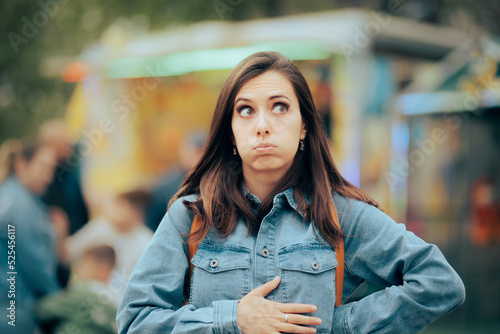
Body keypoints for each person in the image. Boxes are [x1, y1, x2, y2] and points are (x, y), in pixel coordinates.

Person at [116, 51, 465, 333]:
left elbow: (438, 283)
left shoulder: (341, 214)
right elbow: (135, 320)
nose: (263, 125)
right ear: (231, 133)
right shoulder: (192, 215)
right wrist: (230, 320)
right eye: (246, 111)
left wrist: (336, 325)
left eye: (279, 107)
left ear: (304, 127)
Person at [0, 139, 60, 334]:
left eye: (51, 169)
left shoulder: (18, 198)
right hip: (13, 309)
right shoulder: (18, 204)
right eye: (43, 168)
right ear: (21, 164)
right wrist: (60, 299)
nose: (49, 177)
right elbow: (34, 261)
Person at [66, 189, 153, 304]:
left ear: (137, 214)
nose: (114, 211)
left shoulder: (146, 242)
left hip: (119, 302)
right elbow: (70, 252)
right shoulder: (101, 226)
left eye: (122, 206)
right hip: (85, 293)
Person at [36, 245, 118, 334]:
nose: (77, 268)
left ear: (103, 270)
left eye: (85, 264)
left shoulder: (81, 293)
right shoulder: (116, 302)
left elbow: (42, 310)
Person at [146, 130, 207, 231]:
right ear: (183, 153)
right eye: (195, 152)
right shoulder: (164, 186)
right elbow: (152, 224)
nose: (199, 158)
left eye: (202, 152)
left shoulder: (217, 183)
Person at [39, 118, 89, 236]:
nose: (69, 145)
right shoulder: (46, 177)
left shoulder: (69, 169)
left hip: (79, 234)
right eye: (63, 142)